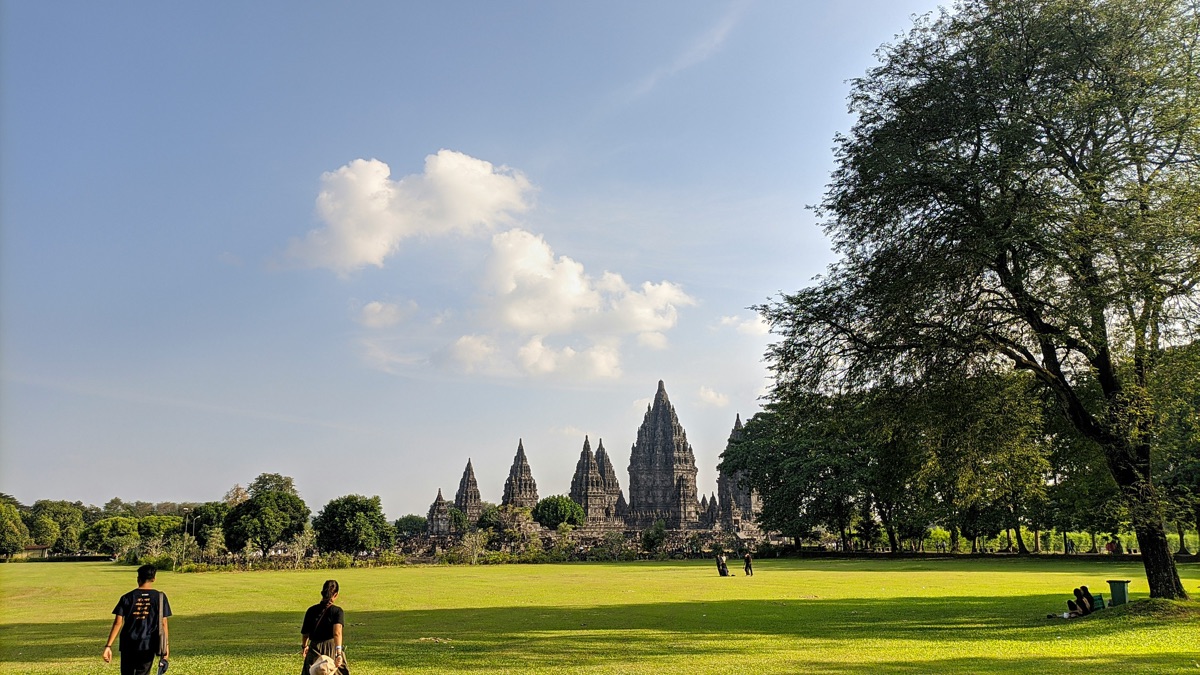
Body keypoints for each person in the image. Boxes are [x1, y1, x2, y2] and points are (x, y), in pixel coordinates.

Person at [103, 564, 171, 675]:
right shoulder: (160, 597)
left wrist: (108, 646)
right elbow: (163, 624)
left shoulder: (127, 597)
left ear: (138, 578)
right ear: (153, 579)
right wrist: (166, 647)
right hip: (148, 643)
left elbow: (117, 623)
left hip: (128, 643)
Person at [301, 579, 345, 675]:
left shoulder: (311, 610)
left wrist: (304, 646)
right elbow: (337, 633)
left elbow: (305, 634)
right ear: (336, 594)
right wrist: (338, 653)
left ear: (322, 593)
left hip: (314, 648)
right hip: (332, 648)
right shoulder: (337, 611)